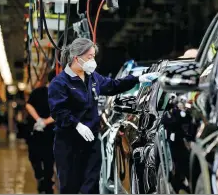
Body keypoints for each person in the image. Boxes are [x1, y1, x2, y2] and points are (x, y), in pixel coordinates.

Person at [48, 38, 159, 194]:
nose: (93, 61)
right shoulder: (59, 83)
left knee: (91, 186)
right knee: (70, 186)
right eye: (89, 57)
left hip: (91, 141)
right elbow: (58, 111)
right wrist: (77, 125)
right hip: (68, 143)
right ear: (76, 58)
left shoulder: (92, 78)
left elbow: (113, 85)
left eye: (94, 56)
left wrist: (137, 79)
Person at [25, 71, 57, 194]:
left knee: (44, 158)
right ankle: (42, 178)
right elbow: (29, 105)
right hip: (39, 132)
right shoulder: (40, 92)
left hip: (48, 133)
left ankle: (46, 181)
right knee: (39, 157)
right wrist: (39, 119)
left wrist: (44, 122)